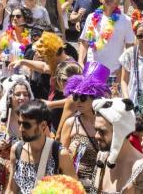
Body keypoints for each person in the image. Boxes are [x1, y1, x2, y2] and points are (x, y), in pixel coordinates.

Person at [59, 62, 110, 193]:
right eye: (75, 96)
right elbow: (61, 160)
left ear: (95, 98)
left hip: (101, 186)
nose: (78, 101)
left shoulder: (109, 125)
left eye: (82, 97)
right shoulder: (70, 124)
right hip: (75, 187)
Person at [5, 100, 76, 194]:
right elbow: (11, 189)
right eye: (20, 123)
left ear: (43, 126)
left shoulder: (59, 154)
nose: (21, 129)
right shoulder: (17, 150)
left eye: (26, 125)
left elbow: (75, 189)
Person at [0, 75, 33, 194]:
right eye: (18, 94)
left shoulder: (36, 122)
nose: (22, 97)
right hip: (1, 178)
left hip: (28, 177)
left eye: (25, 94)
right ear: (9, 97)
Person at [92, 98, 143, 194]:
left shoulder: (142, 171)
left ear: (120, 132)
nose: (96, 136)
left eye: (102, 131)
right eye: (96, 130)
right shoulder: (102, 156)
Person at [79, 0, 134, 84]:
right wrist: (80, 62)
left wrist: (123, 69)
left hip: (114, 73)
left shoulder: (126, 20)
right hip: (92, 71)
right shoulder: (91, 17)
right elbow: (84, 42)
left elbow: (130, 48)